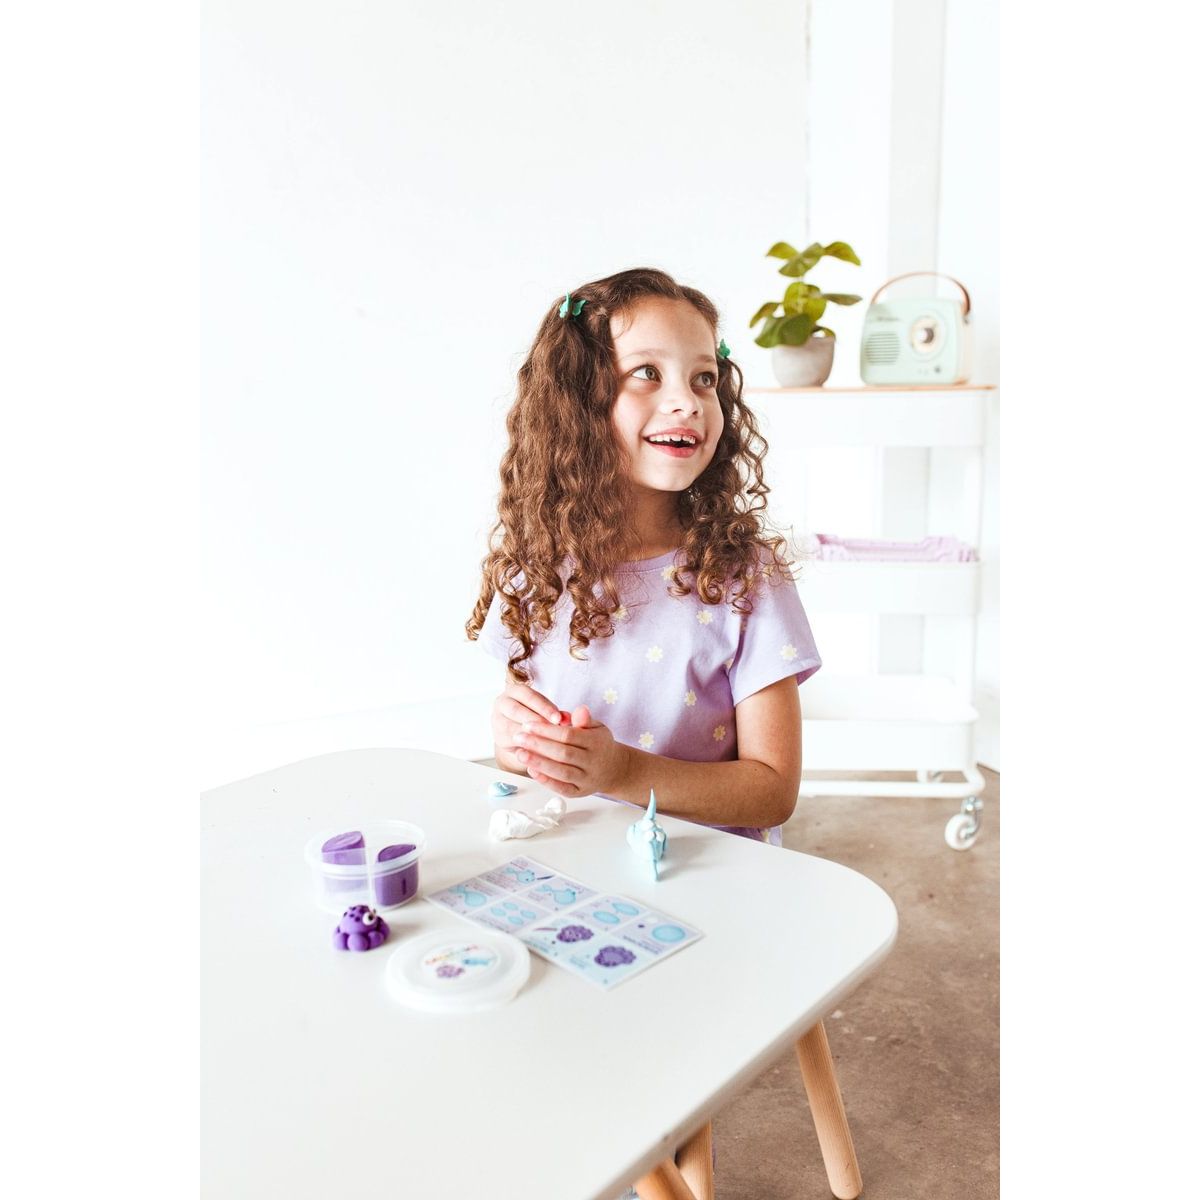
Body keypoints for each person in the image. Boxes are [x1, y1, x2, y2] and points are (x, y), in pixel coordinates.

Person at [465, 267, 821, 846]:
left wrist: (622, 772)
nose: (687, 401)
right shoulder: (534, 572)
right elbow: (524, 749)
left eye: (704, 378)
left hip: (711, 869)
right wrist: (515, 745)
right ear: (576, 402)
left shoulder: (744, 577)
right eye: (647, 373)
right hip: (577, 861)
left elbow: (773, 791)